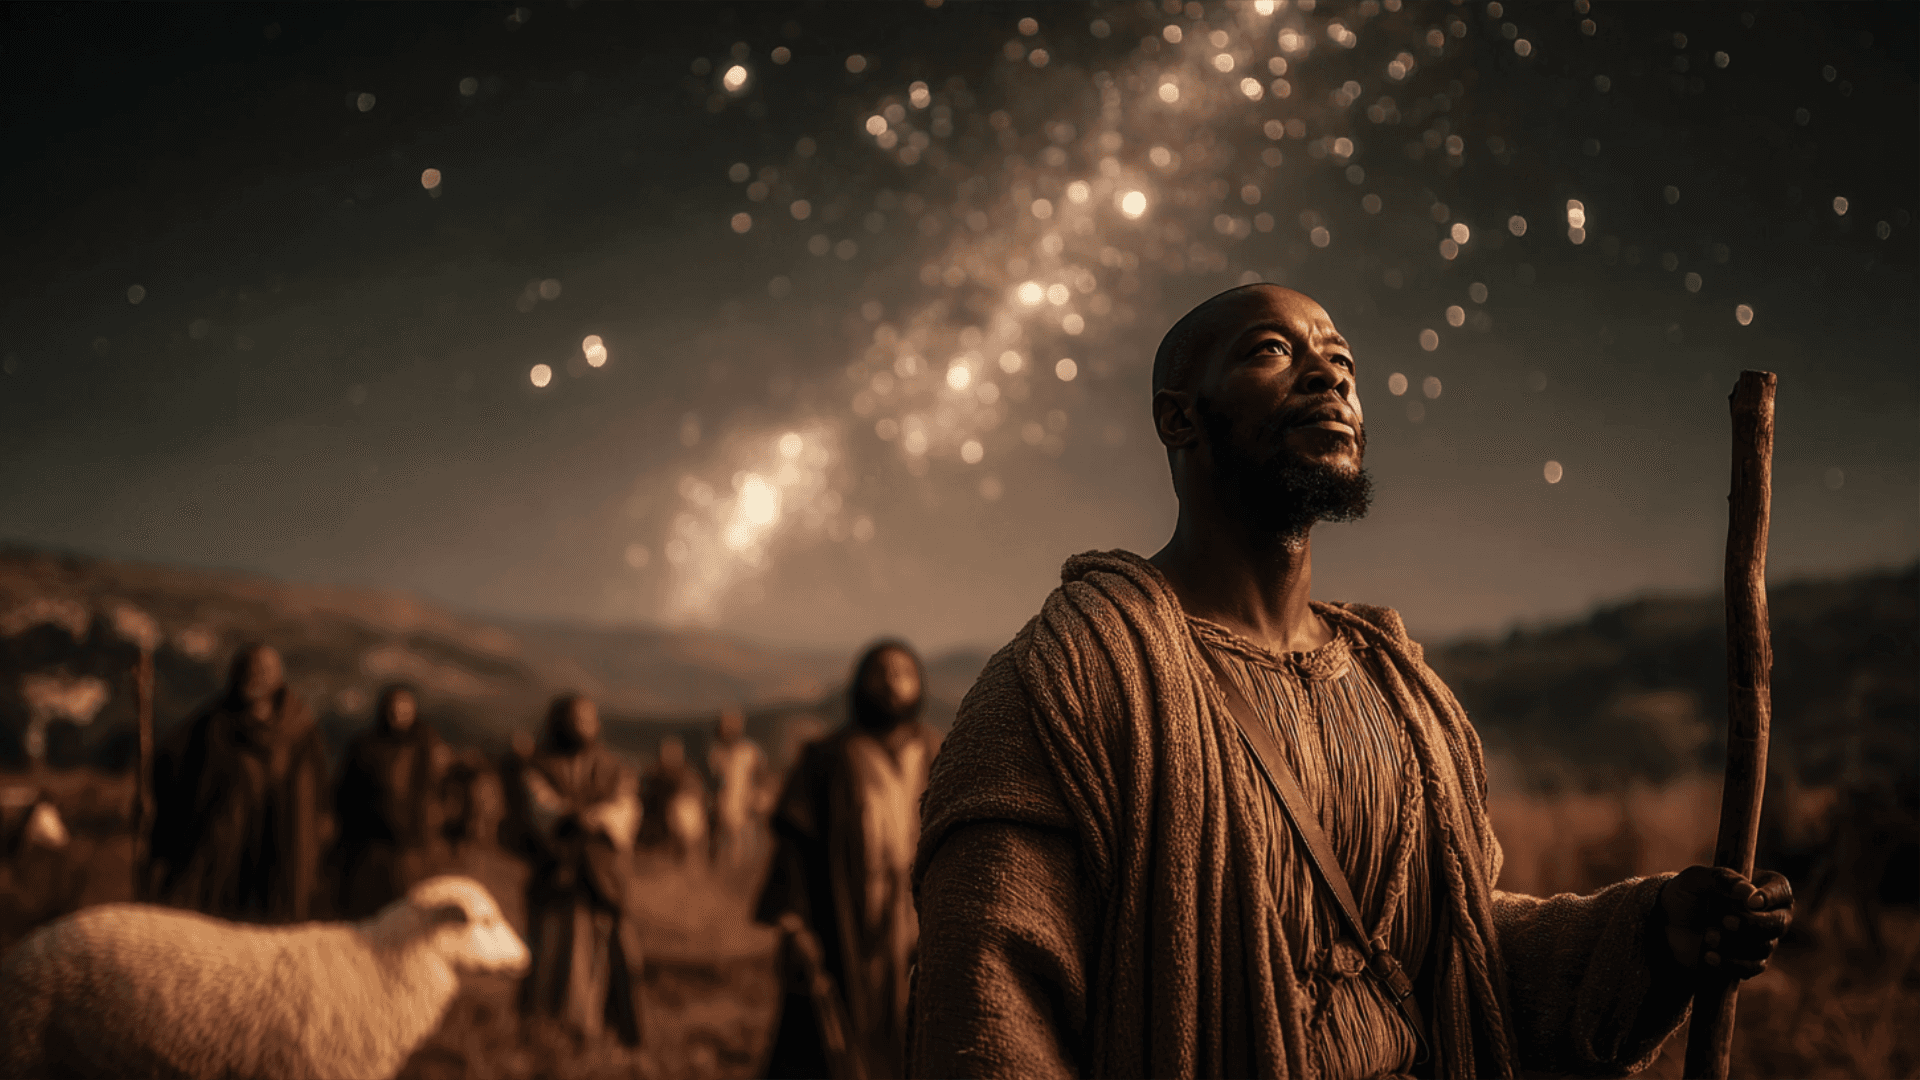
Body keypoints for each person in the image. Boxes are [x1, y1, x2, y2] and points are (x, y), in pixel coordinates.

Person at [909, 284, 1795, 1079]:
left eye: (1342, 363)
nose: (1328, 378)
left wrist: (1649, 938)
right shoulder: (1069, 678)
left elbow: (1462, 963)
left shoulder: (1400, 694)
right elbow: (988, 1006)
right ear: (1178, 419)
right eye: (1272, 350)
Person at [756, 640, 942, 1080]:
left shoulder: (940, 754)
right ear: (861, 682)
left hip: (920, 916)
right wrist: (794, 921)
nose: (893, 681)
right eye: (881, 671)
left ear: (919, 684)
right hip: (844, 914)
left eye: (904, 672)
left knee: (920, 1026)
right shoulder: (828, 758)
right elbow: (795, 843)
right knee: (833, 1033)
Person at [145, 643, 329, 923]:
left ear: (277, 677)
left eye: (263, 671)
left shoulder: (299, 731)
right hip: (220, 853)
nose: (254, 677)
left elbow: (313, 798)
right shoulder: (212, 725)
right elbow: (171, 768)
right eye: (248, 670)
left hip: (276, 856)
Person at [514, 693, 645, 1050]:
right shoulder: (539, 767)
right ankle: (549, 1033)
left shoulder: (614, 767)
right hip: (556, 881)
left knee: (604, 958)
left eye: (588, 719)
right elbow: (542, 813)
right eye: (575, 719)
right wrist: (581, 817)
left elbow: (624, 815)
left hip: (603, 882)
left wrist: (588, 818)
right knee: (554, 959)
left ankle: (596, 1028)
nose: (582, 726)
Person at [329, 684, 449, 919]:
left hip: (409, 852)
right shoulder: (363, 747)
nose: (398, 714)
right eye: (393, 707)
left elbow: (435, 796)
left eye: (404, 707)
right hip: (365, 849)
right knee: (363, 919)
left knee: (401, 918)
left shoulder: (426, 749)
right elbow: (344, 794)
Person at [707, 708, 770, 869]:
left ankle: (742, 874)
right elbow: (713, 782)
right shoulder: (716, 753)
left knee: (747, 844)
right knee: (728, 845)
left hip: (745, 804)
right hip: (725, 805)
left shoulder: (750, 751)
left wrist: (757, 798)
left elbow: (761, 775)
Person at [641, 736, 709, 866]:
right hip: (662, 830)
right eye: (666, 752)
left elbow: (696, 799)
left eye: (672, 752)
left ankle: (689, 861)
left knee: (683, 811)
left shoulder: (688, 776)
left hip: (686, 824)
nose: (668, 757)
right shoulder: (654, 776)